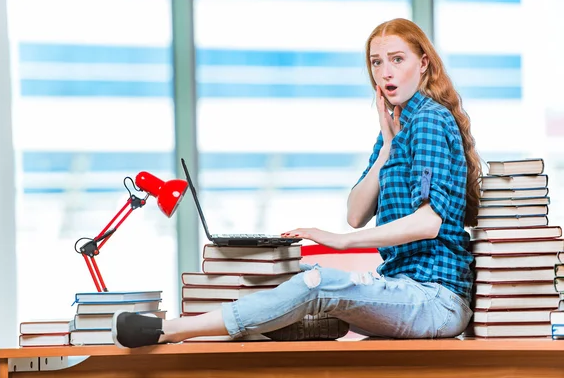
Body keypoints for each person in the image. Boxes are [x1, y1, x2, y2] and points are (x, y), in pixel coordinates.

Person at [111, 18, 482, 348]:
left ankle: (167, 331)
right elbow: (356, 212)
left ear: (423, 64)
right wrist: (386, 147)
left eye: (397, 59)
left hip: (436, 299)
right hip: (400, 291)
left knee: (317, 283)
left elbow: (427, 222)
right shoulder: (395, 129)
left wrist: (341, 242)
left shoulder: (430, 120)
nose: (386, 73)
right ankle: (255, 329)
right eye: (376, 62)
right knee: (299, 275)